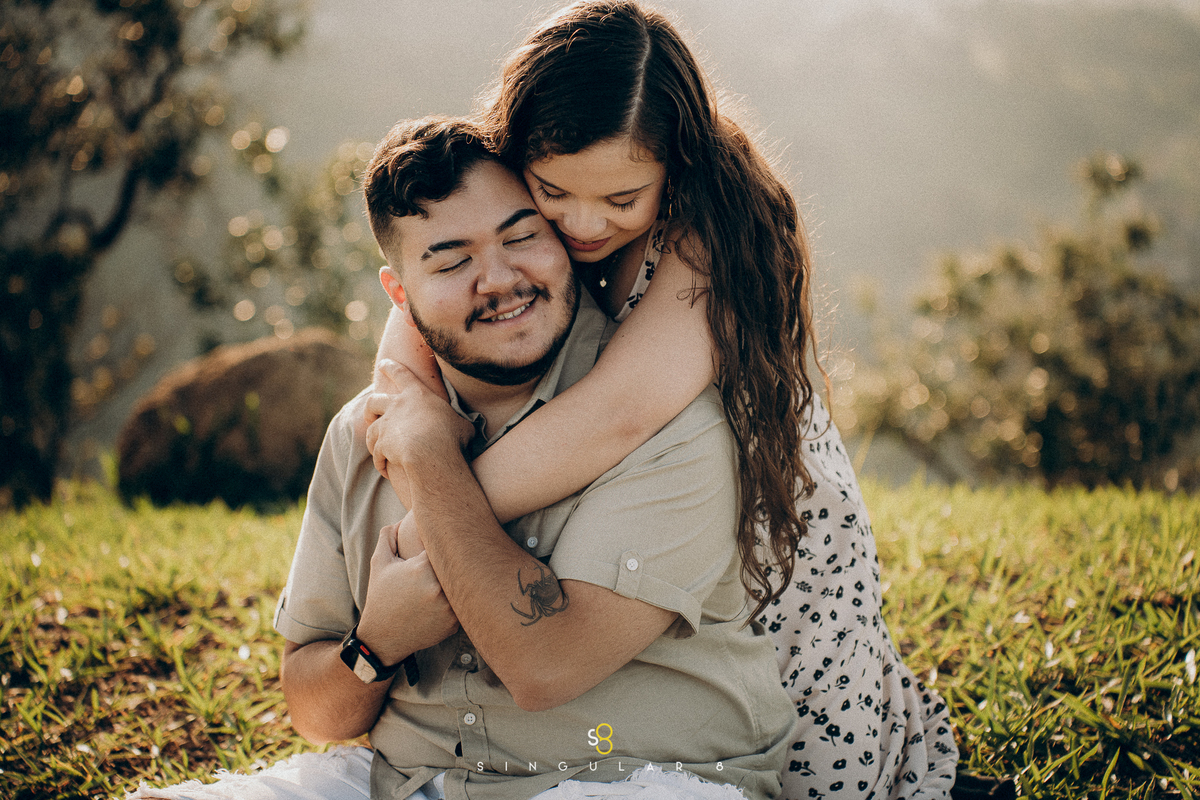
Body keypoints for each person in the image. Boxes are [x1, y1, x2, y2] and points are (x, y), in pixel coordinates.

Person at [371, 3, 959, 799]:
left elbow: (621, 411)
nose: (583, 224)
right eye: (553, 192)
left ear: (675, 167)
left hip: (770, 531)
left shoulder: (705, 237)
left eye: (620, 199)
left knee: (800, 749)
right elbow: (414, 322)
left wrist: (435, 505)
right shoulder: (512, 209)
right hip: (633, 497)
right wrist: (405, 386)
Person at [131, 115, 797, 800]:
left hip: (631, 777)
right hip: (411, 783)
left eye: (522, 237)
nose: (499, 279)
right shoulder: (360, 432)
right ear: (400, 294)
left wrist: (428, 457)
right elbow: (313, 713)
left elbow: (545, 664)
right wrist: (376, 644)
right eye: (451, 262)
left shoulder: (667, 417)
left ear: (564, 240)